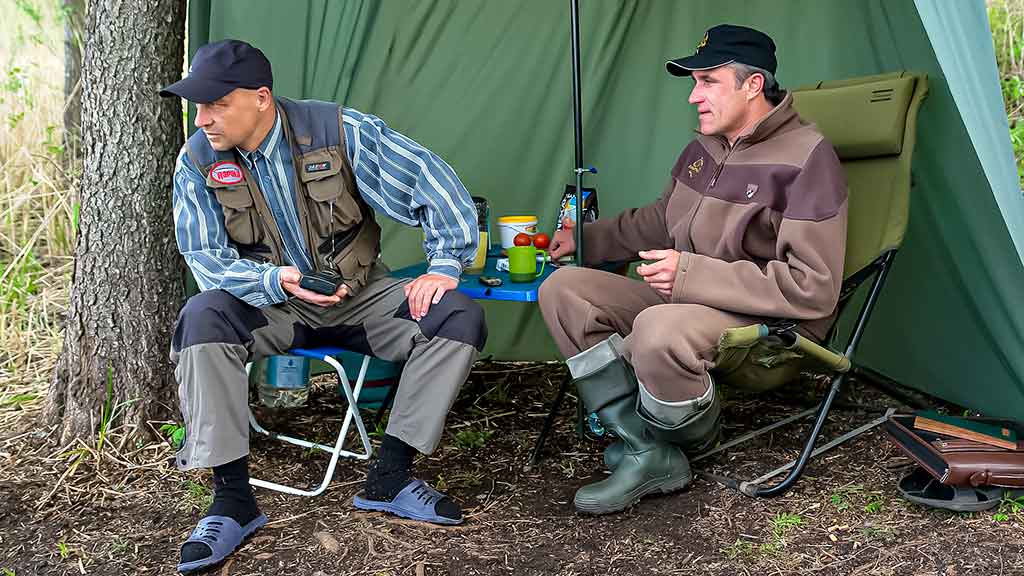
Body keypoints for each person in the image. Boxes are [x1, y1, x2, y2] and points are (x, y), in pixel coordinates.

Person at [160, 39, 486, 572]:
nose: (203, 119)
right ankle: (232, 501)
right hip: (274, 307)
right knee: (203, 317)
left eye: (216, 104)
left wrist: (443, 265)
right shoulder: (197, 160)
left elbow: (434, 183)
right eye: (198, 106)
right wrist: (275, 280)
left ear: (261, 98)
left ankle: (390, 476)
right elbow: (206, 259)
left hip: (360, 299)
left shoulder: (337, 132)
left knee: (457, 316)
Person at [538, 24, 847, 515]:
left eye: (707, 81)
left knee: (657, 328)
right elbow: (662, 219)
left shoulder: (808, 159)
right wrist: (584, 240)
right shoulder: (705, 147)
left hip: (768, 327)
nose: (693, 96)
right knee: (565, 290)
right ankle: (645, 445)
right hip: (688, 303)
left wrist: (689, 274)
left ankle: (687, 443)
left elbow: (813, 288)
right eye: (693, 82)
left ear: (753, 84)